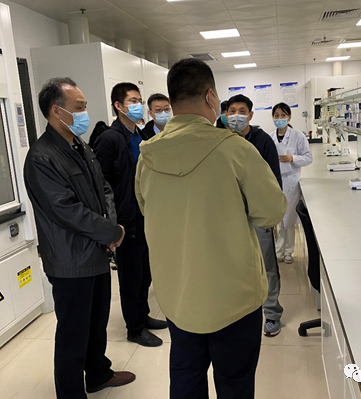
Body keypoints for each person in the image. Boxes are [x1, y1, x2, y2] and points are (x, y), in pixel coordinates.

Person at [135, 58, 287, 399]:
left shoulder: (147, 157)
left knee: (186, 378)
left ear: (171, 102)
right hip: (232, 297)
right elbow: (272, 211)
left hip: (178, 294)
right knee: (234, 383)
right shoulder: (235, 149)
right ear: (210, 96)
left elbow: (147, 208)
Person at [23, 77, 134, 399]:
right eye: (79, 107)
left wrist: (111, 228)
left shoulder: (79, 145)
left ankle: (98, 373)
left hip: (96, 251)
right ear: (56, 111)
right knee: (73, 332)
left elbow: (103, 188)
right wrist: (111, 232)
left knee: (97, 322)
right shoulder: (42, 157)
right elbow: (66, 210)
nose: (85, 113)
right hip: (70, 260)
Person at [94, 82, 167, 348]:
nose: (138, 106)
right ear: (118, 106)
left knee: (145, 273)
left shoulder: (139, 135)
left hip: (145, 215)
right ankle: (134, 328)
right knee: (131, 276)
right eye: (133, 101)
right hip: (126, 220)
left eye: (139, 101)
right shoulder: (110, 139)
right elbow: (100, 184)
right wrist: (112, 224)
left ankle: (143, 315)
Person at [225, 94, 285, 337]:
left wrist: (271, 214)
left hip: (257, 215)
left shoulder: (262, 141)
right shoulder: (220, 140)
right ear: (225, 114)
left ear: (250, 115)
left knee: (266, 264)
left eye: (242, 111)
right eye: (232, 111)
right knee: (233, 264)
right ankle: (239, 311)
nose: (236, 116)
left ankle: (271, 313)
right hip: (230, 216)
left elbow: (274, 180)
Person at [269, 103, 313, 264]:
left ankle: (287, 251)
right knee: (278, 218)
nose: (279, 118)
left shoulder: (298, 136)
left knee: (289, 218)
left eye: (283, 115)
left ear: (289, 117)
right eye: (276, 115)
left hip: (291, 181)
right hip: (274, 181)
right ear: (273, 117)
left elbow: (308, 158)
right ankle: (278, 250)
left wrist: (293, 158)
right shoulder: (270, 137)